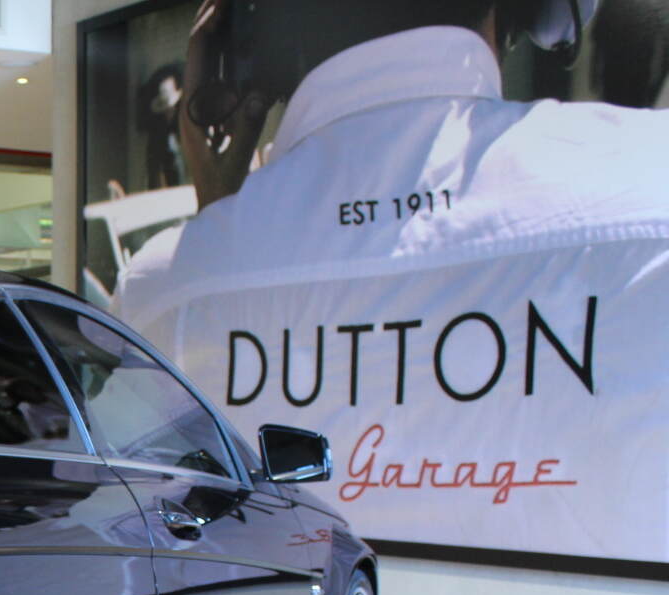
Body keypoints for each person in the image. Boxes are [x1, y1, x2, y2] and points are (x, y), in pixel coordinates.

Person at [115, 0, 669, 565]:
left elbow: (165, 557)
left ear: (238, 37)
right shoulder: (655, 182)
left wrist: (217, 233)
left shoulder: (156, 294)